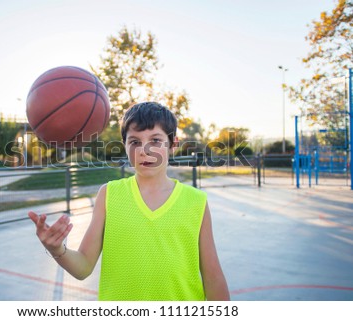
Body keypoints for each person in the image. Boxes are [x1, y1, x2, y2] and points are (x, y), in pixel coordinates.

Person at [28, 102, 230, 301]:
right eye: (134, 142)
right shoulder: (109, 195)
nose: (145, 150)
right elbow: (83, 267)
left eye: (156, 140)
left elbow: (213, 279)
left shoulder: (196, 201)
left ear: (173, 145)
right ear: (124, 146)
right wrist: (57, 250)